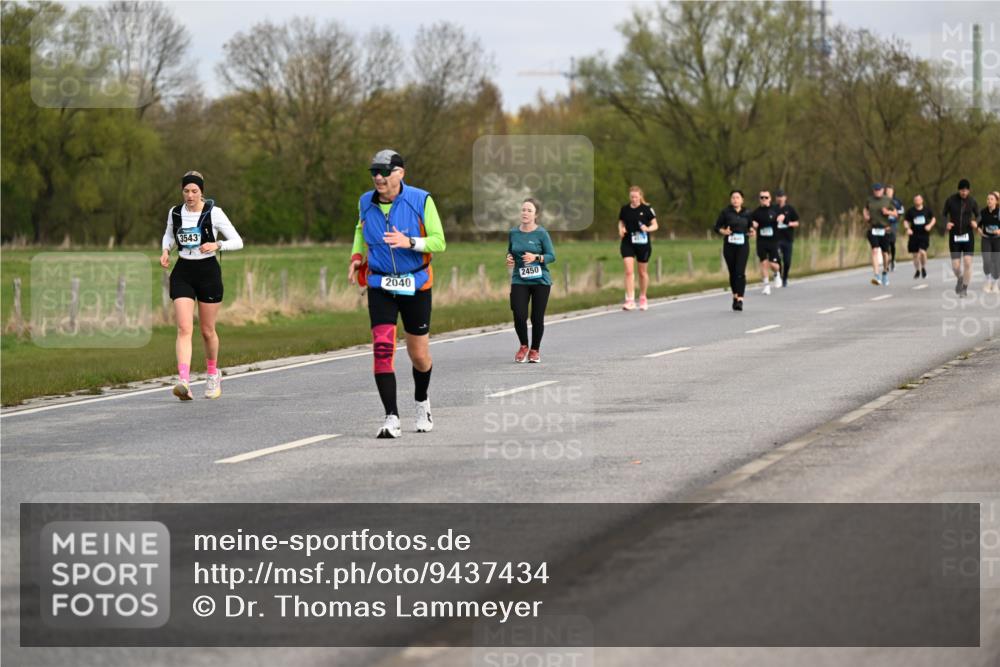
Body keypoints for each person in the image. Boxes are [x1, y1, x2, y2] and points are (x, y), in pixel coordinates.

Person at [348, 150, 446, 439]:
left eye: (385, 171)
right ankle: (391, 417)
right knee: (381, 351)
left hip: (416, 283)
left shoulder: (421, 200)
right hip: (381, 284)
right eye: (374, 172)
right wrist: (356, 256)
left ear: (400, 173)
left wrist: (410, 241)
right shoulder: (365, 202)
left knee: (419, 354)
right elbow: (359, 228)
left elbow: (439, 242)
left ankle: (422, 401)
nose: (378, 177)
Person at [160, 170, 243, 401]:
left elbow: (238, 241)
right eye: (186, 191)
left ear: (202, 192)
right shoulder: (175, 212)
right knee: (184, 328)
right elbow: (169, 236)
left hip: (208, 273)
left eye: (194, 191)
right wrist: (166, 250)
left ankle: (212, 374)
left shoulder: (214, 213)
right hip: (183, 271)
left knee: (207, 331)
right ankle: (184, 381)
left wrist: (217, 245)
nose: (190, 195)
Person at [506, 198, 556, 363]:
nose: (525, 213)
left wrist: (536, 257)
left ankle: (535, 350)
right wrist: (509, 258)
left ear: (536, 215)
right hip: (519, 279)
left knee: (536, 317)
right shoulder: (513, 233)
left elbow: (551, 256)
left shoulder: (541, 233)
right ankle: (523, 345)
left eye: (529, 210)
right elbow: (510, 251)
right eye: (523, 210)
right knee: (519, 315)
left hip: (540, 280)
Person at [617, 186, 659, 311]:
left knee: (642, 272)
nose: (634, 199)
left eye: (636, 197)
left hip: (643, 243)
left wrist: (648, 228)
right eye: (632, 197)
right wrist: (621, 229)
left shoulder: (647, 209)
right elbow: (621, 222)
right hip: (628, 242)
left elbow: (655, 225)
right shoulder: (625, 209)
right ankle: (630, 300)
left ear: (640, 196)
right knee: (629, 271)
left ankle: (643, 297)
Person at [714, 190, 754, 311]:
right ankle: (735, 296)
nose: (735, 200)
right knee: (732, 272)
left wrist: (752, 231)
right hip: (729, 246)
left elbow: (751, 226)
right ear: (731, 200)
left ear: (742, 200)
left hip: (743, 245)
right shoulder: (725, 212)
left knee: (740, 271)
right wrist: (724, 231)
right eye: (733, 198)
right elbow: (717, 227)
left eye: (737, 198)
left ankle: (740, 299)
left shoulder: (747, 213)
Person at [942, 178, 980, 297]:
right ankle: (960, 278)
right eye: (962, 190)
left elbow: (979, 215)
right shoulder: (950, 200)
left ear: (969, 190)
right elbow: (943, 214)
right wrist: (946, 224)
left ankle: (964, 288)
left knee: (968, 263)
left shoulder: (972, 201)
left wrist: (976, 222)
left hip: (968, 235)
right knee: (955, 266)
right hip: (955, 236)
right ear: (959, 190)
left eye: (966, 190)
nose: (964, 192)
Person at [862, 183, 895, 286]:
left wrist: (888, 212)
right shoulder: (869, 200)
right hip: (873, 229)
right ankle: (876, 275)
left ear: (882, 190)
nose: (877, 192)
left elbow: (895, 213)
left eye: (879, 190)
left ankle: (885, 272)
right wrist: (866, 216)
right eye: (875, 190)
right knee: (874, 250)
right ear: (873, 191)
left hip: (884, 229)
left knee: (885, 254)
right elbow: (865, 209)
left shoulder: (887, 200)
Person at [751, 190, 781, 295]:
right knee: (763, 263)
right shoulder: (756, 212)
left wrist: (782, 218)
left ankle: (777, 273)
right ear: (759, 199)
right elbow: (751, 225)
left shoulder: (775, 210)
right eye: (762, 197)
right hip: (761, 242)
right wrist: (753, 228)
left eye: (766, 197)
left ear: (770, 198)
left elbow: (783, 218)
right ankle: (766, 285)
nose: (764, 199)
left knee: (774, 265)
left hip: (773, 241)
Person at [903, 194, 936, 279]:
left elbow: (933, 219)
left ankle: (923, 268)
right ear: (914, 201)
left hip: (924, 234)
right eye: (916, 200)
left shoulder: (927, 210)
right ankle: (917, 270)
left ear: (922, 200)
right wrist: (907, 229)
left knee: (922, 252)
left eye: (919, 199)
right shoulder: (910, 211)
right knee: (915, 255)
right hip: (914, 235)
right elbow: (906, 221)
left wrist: (930, 226)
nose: (917, 201)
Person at [773, 188, 799, 286]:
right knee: (777, 258)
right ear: (776, 198)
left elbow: (797, 222)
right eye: (778, 197)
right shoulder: (773, 209)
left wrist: (789, 223)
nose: (780, 199)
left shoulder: (790, 209)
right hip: (776, 238)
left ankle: (785, 277)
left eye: (782, 197)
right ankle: (778, 275)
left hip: (788, 238)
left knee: (787, 261)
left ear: (785, 198)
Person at [979, 191, 1000, 293]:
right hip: (986, 239)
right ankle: (988, 281)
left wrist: (999, 231)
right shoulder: (983, 212)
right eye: (988, 199)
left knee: (996, 262)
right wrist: (980, 232)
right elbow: (978, 225)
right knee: (986, 260)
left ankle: (995, 284)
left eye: (992, 199)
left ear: (996, 201)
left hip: (997, 239)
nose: (989, 201)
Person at [885, 185, 904, 272]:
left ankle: (893, 259)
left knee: (892, 242)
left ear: (893, 191)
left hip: (893, 223)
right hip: (884, 224)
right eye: (887, 191)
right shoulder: (883, 200)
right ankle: (887, 259)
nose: (889, 193)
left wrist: (893, 213)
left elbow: (901, 211)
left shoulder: (897, 201)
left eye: (890, 191)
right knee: (886, 242)